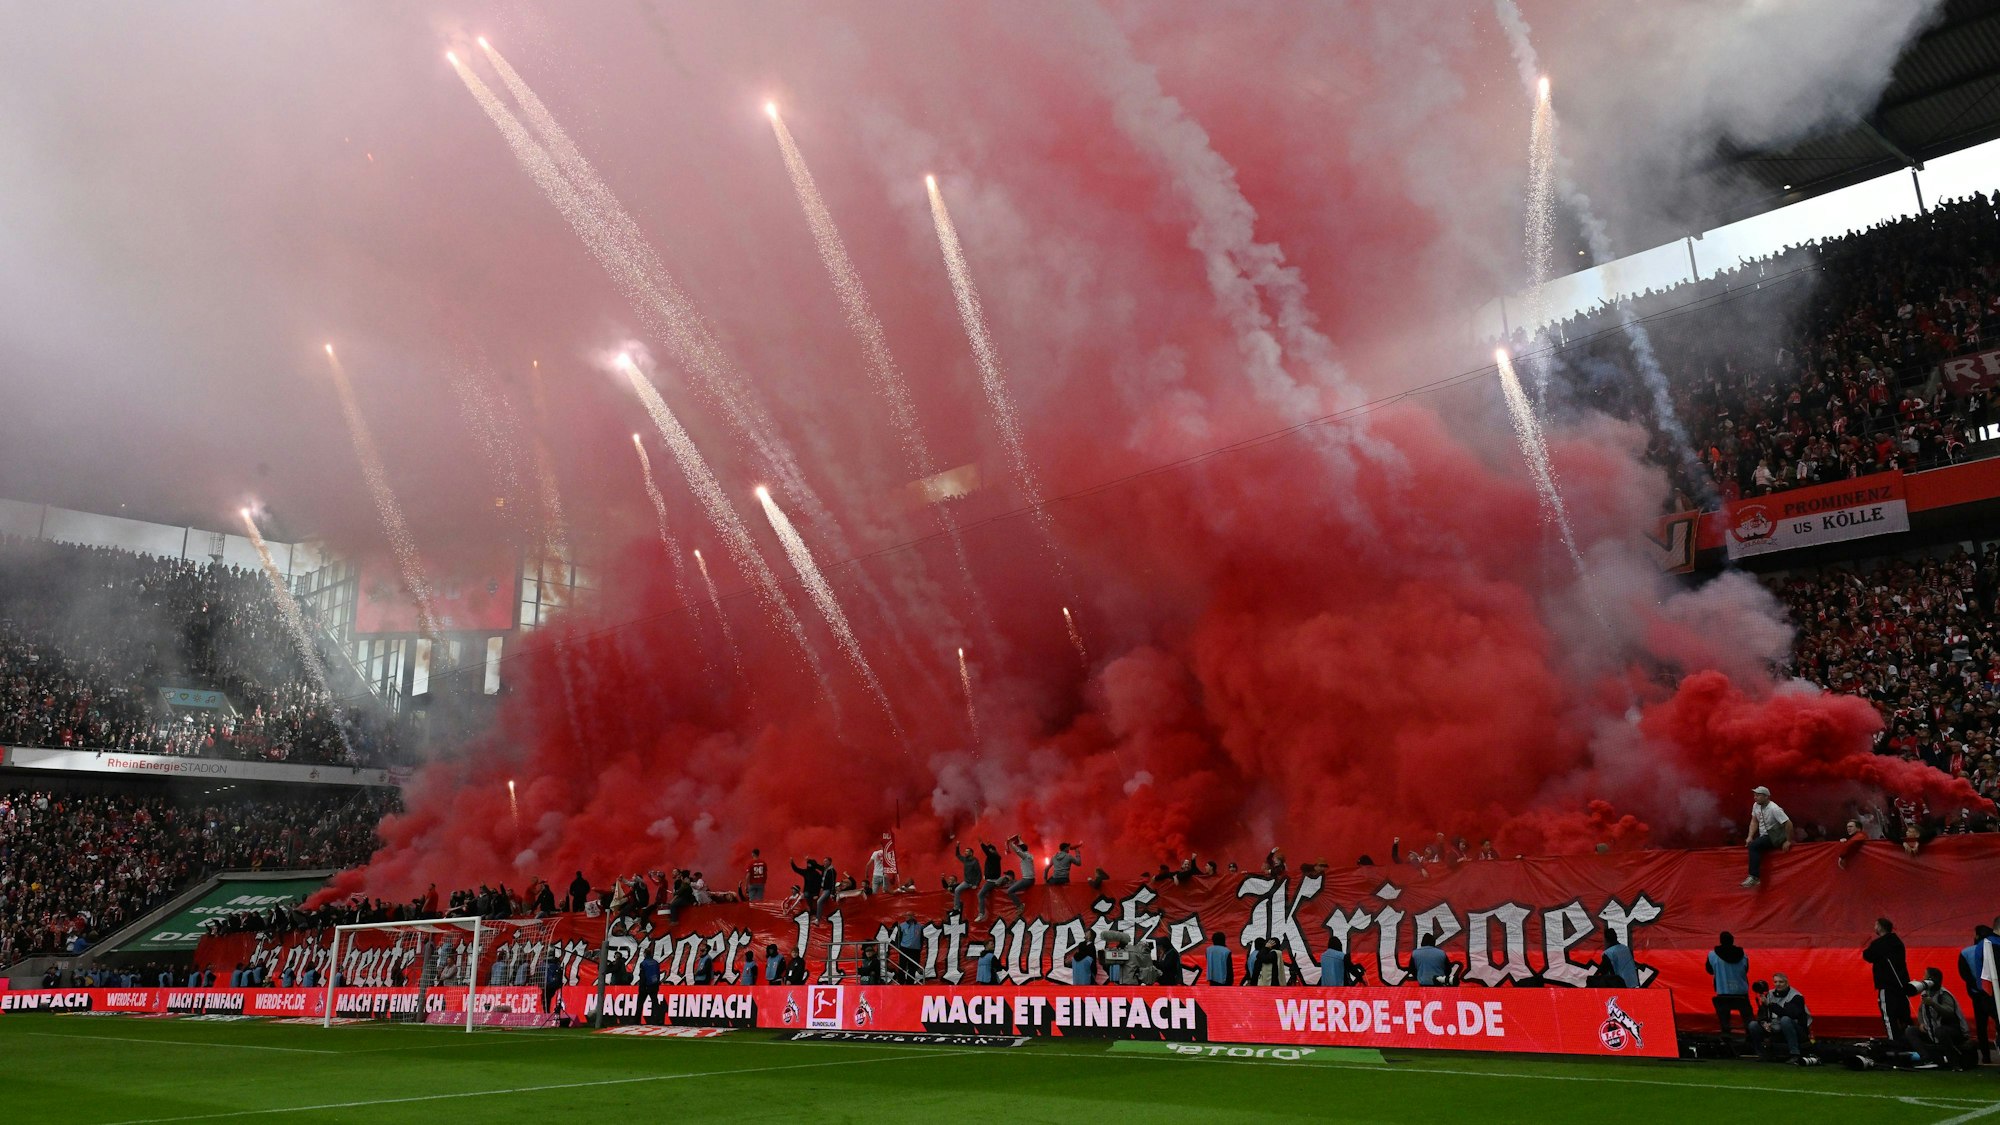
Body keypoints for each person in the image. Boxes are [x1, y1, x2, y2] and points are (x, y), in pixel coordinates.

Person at [1909, 968, 1971, 1068]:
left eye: (1925, 975)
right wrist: (1921, 1023)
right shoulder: (1926, 993)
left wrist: (1933, 1004)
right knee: (1910, 1031)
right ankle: (1926, 1059)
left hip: (1952, 1030)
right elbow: (1921, 1010)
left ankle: (1954, 1062)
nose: (1922, 978)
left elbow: (1949, 1012)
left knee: (1940, 1031)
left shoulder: (1944, 994)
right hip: (1932, 1030)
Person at [1863, 916, 1913, 1039]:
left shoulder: (1879, 943)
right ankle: (1910, 1041)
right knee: (1904, 1016)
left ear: (1880, 926)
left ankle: (1894, 1043)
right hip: (1902, 985)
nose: (1874, 927)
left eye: (1875, 925)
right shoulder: (1898, 942)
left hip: (1887, 986)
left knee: (1889, 1017)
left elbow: (1867, 955)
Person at [1747, 975, 1810, 1061]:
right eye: (1775, 982)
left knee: (1785, 1020)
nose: (1778, 984)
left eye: (1781, 982)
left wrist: (1769, 1004)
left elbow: (1790, 1014)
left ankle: (1795, 1053)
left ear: (1787, 983)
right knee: (1753, 1025)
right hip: (1774, 1025)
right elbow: (1762, 1014)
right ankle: (1762, 1054)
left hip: (1796, 1028)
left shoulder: (1796, 996)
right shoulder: (1769, 994)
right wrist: (1764, 1023)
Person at [1959, 926, 1998, 1063]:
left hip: (1977, 995)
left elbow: (1964, 975)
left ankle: (1986, 1056)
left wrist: (1975, 988)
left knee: (1981, 1027)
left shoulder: (1966, 952)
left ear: (1976, 936)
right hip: (1994, 994)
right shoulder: (1993, 948)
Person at [1706, 931, 1753, 1040]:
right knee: (1747, 1018)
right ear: (1733, 940)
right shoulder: (1743, 955)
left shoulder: (1712, 955)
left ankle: (1726, 1035)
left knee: (1724, 1018)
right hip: (1741, 993)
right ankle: (1751, 1037)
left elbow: (1709, 970)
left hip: (1722, 992)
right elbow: (1746, 970)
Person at [1742, 786, 1791, 887]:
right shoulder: (1756, 805)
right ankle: (1754, 877)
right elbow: (1754, 821)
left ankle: (1754, 877)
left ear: (1766, 797)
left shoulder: (1774, 808)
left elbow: (1788, 823)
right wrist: (1750, 836)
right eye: (1754, 795)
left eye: (1758, 795)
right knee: (1755, 844)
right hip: (1764, 835)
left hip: (1775, 836)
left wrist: (1788, 840)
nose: (1755, 797)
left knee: (1754, 846)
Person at [1003, 835, 1035, 916]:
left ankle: (1020, 906)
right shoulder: (1029, 855)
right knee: (1013, 884)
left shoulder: (1024, 856)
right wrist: (1020, 839)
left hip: (1027, 880)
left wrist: (1010, 843)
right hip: (1030, 879)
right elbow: (1022, 846)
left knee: (1010, 891)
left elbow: (1017, 851)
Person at [893, 912, 923, 983]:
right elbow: (898, 937)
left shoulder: (919, 926)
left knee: (912, 967)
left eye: (909, 915)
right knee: (902, 966)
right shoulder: (902, 926)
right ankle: (901, 982)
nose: (908, 917)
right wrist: (899, 948)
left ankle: (910, 983)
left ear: (913, 916)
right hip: (904, 948)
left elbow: (921, 938)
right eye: (906, 915)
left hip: (915, 950)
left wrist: (920, 948)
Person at [953, 843, 982, 917]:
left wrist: (976, 884)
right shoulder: (965, 860)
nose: (965, 853)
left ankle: (979, 912)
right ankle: (956, 909)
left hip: (973, 883)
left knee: (976, 896)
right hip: (966, 882)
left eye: (967, 851)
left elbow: (979, 873)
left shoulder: (975, 861)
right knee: (957, 890)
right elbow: (958, 855)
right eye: (965, 851)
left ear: (971, 853)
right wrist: (957, 846)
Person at [977, 841, 1003, 922]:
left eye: (989, 850)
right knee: (987, 895)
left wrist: (982, 843)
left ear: (992, 850)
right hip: (991, 880)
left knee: (980, 894)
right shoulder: (995, 857)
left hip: (991, 881)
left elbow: (987, 851)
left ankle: (981, 914)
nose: (988, 852)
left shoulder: (993, 856)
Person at [636, 949, 662, 1025]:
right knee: (655, 1003)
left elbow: (643, 976)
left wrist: (642, 986)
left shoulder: (643, 963)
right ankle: (657, 1020)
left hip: (646, 986)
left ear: (645, 954)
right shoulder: (656, 962)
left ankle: (637, 1020)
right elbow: (658, 974)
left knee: (640, 1003)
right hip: (654, 985)